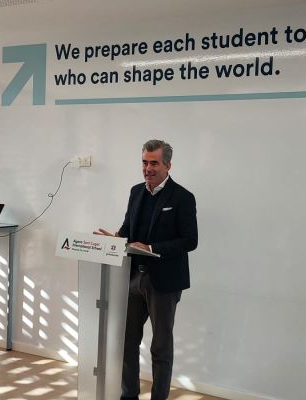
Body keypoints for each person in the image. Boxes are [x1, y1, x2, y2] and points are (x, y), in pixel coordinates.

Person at [94, 139, 198, 400]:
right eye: (144, 162)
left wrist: (152, 247)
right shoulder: (136, 191)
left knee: (160, 347)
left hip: (163, 281)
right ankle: (128, 396)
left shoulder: (183, 197)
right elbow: (128, 230)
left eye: (154, 162)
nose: (148, 168)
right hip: (131, 278)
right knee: (127, 343)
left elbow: (190, 240)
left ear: (168, 165)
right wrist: (116, 238)